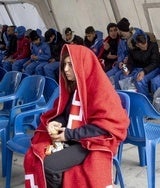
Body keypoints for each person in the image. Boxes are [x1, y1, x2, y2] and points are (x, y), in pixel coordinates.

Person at [24, 44, 129, 188]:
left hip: (95, 141)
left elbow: (106, 127)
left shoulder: (102, 91)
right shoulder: (74, 87)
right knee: (35, 155)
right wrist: (56, 122)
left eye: (70, 65)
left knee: (49, 166)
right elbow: (66, 114)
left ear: (83, 65)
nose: (65, 69)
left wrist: (69, 135)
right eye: (64, 65)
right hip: (77, 137)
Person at [116, 31, 160, 99]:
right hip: (140, 67)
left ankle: (146, 101)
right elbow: (131, 62)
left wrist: (144, 71)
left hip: (153, 67)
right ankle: (128, 99)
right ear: (137, 45)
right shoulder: (132, 49)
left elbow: (155, 62)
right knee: (122, 77)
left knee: (140, 81)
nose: (145, 47)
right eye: (142, 46)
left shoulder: (153, 45)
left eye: (146, 44)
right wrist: (127, 69)